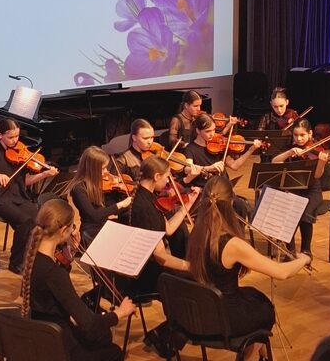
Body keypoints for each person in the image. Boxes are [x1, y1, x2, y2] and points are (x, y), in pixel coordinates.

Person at [187, 176, 310, 361]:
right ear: (230, 203)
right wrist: (304, 259)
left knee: (255, 296)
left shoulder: (196, 232)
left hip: (203, 309)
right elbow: (281, 272)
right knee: (267, 311)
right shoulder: (232, 244)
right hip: (225, 316)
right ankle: (249, 357)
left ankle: (264, 357)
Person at [21, 198, 136, 361]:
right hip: (60, 346)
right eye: (72, 227)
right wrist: (120, 312)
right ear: (63, 231)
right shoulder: (54, 274)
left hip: (43, 335)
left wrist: (70, 254)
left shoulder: (33, 257)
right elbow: (89, 323)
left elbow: (54, 289)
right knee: (115, 352)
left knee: (103, 337)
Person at [0, 118, 58, 274]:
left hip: (19, 196)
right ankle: (17, 262)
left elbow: (25, 181)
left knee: (41, 218)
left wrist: (44, 174)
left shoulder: (20, 151)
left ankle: (36, 257)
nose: (15, 140)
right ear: (0, 136)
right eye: (10, 137)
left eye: (17, 136)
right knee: (25, 222)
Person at [130, 155, 198, 295]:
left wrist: (187, 205)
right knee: (200, 280)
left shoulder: (147, 196)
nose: (168, 181)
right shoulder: (145, 208)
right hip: (149, 274)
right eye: (167, 177)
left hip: (153, 265)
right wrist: (191, 267)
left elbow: (168, 229)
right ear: (157, 176)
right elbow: (161, 258)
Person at [271, 118, 330, 258]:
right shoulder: (290, 147)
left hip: (312, 190)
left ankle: (306, 250)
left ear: (310, 134)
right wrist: (289, 153)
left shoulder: (317, 150)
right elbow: (274, 162)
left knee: (304, 212)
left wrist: (321, 163)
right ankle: (290, 251)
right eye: (295, 135)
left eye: (302, 135)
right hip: (294, 188)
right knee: (289, 211)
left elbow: (317, 175)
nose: (299, 139)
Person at [67, 146, 132, 242]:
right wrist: (121, 204)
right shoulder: (78, 188)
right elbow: (94, 216)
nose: (107, 172)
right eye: (103, 169)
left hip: (104, 226)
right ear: (91, 169)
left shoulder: (98, 184)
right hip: (90, 231)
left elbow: (110, 208)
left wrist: (129, 201)